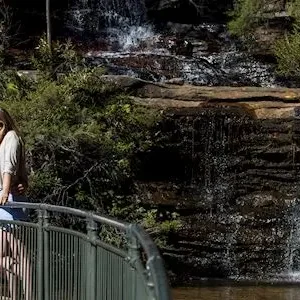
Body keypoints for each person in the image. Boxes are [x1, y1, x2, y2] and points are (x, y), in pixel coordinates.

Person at [0, 108, 32, 300]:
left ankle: (29, 295)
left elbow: (9, 167)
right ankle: (15, 296)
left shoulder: (11, 137)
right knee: (4, 255)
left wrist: (5, 189)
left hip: (9, 203)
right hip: (4, 205)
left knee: (19, 253)